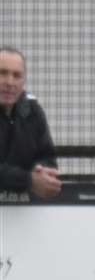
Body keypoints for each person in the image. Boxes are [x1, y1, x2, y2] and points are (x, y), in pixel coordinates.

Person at [0, 47, 61, 198]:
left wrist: (41, 172)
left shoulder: (33, 111)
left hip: (24, 212)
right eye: (3, 73)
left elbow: (48, 157)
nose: (9, 82)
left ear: (24, 80)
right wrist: (28, 180)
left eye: (17, 75)